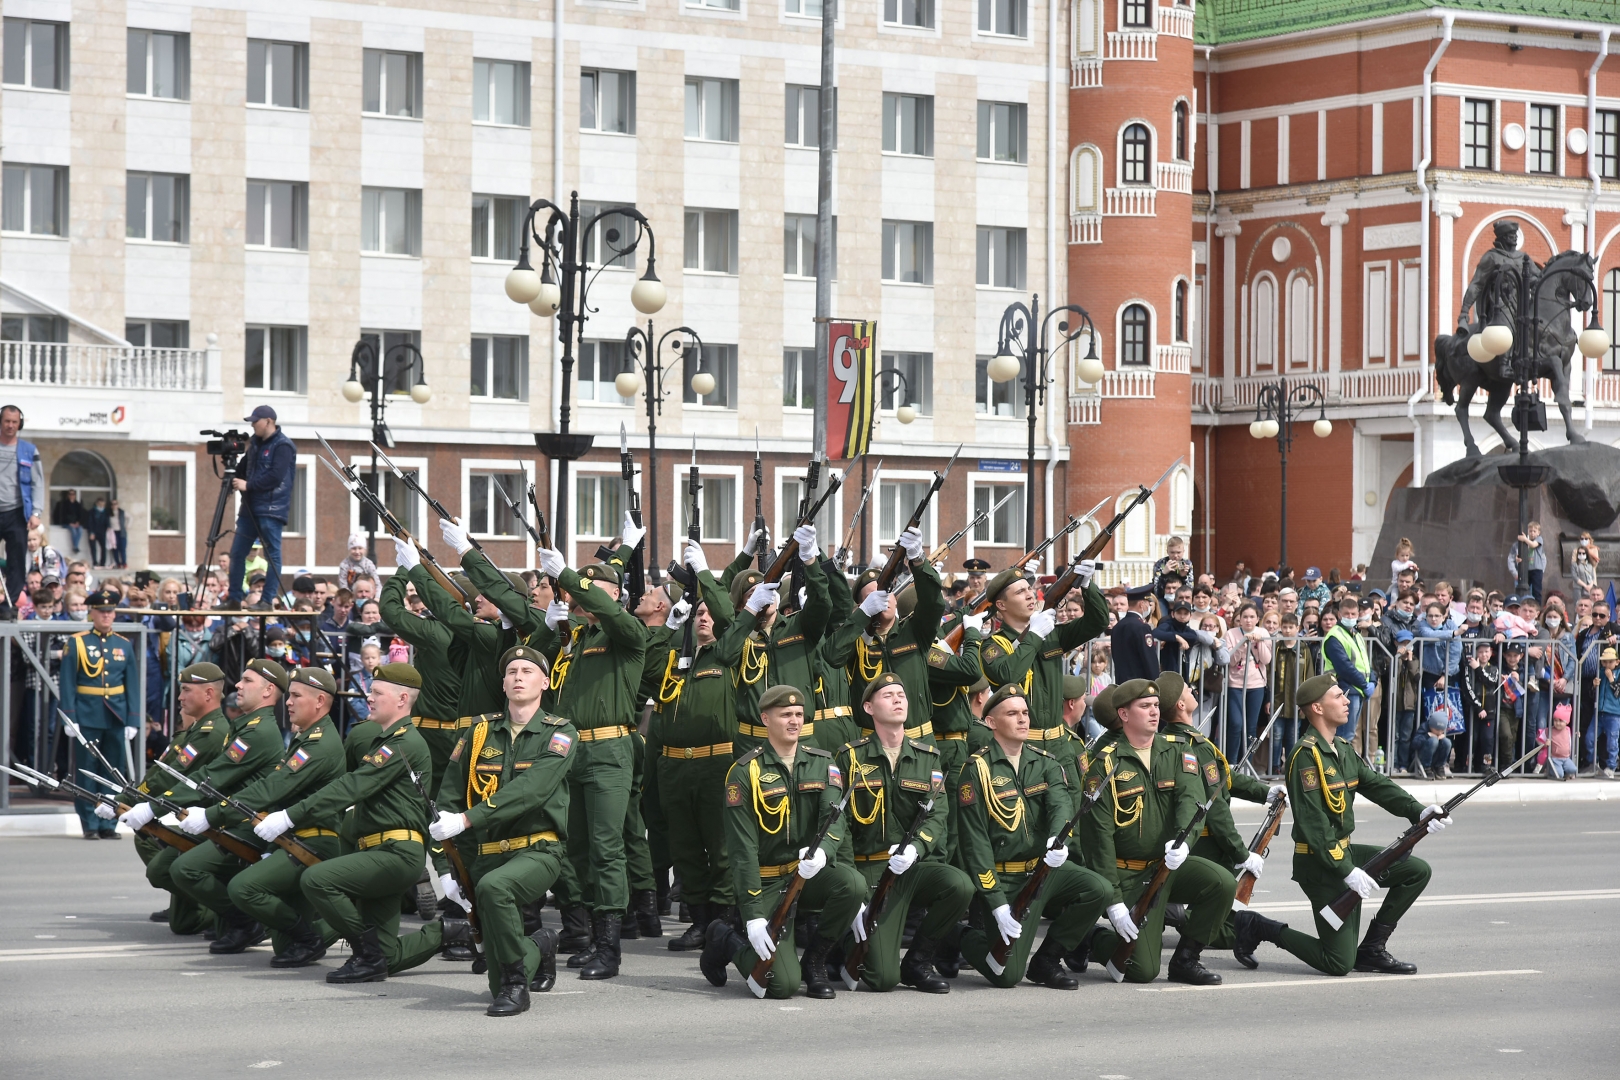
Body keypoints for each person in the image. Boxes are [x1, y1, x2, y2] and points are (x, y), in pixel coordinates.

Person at [1231, 674, 1450, 977]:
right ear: (1317, 708)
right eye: (1338, 696)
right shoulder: (1306, 756)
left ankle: (1372, 948)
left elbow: (1377, 785)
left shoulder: (1342, 748)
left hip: (1345, 855)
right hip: (1321, 864)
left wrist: (1419, 812)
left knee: (1416, 871)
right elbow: (1314, 825)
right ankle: (1258, 927)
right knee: (1337, 963)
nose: (1347, 701)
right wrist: (1346, 871)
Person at [255, 663, 437, 984]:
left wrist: (289, 815)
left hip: (396, 852)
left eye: (377, 693)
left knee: (317, 880)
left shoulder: (403, 743)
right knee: (388, 956)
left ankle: (366, 953)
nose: (369, 697)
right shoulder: (387, 740)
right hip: (382, 851)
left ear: (401, 699)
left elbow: (350, 787)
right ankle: (450, 932)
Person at [427, 646, 576, 1015]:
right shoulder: (478, 732)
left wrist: (466, 820)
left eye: (527, 670)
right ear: (504, 683)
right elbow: (447, 797)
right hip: (486, 855)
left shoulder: (561, 733)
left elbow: (533, 789)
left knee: (497, 889)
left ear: (544, 682)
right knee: (492, 975)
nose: (518, 677)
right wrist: (446, 869)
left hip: (538, 849)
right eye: (511, 671)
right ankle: (538, 947)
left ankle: (516, 986)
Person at [526, 540, 647, 979]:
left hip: (609, 751)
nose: (584, 596)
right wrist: (548, 623)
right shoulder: (577, 639)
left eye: (594, 589)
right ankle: (592, 936)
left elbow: (612, 615)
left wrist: (569, 577)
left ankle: (609, 947)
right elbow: (533, 666)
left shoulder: (628, 631)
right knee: (575, 848)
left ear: (613, 594)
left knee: (606, 848)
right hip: (572, 751)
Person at [169, 666, 347, 960]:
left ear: (319, 701)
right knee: (281, 944)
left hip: (312, 841)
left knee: (243, 888)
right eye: (289, 695)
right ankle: (310, 928)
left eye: (296, 696)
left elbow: (270, 789)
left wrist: (212, 815)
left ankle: (316, 935)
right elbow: (275, 791)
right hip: (287, 839)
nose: (288, 702)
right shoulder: (304, 738)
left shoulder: (320, 744)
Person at [700, 684, 865, 999]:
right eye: (785, 714)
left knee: (852, 884)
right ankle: (724, 939)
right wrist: (751, 914)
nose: (794, 721)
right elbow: (741, 849)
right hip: (767, 882)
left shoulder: (823, 763)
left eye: (799, 714)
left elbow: (835, 820)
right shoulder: (744, 771)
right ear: (765, 718)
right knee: (780, 986)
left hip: (806, 874)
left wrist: (824, 852)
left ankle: (815, 962)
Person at [955, 683, 1113, 989]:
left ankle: (1048, 959)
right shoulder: (976, 770)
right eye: (1012, 713)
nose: (1023, 719)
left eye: (1025, 713)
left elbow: (1060, 805)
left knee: (1098, 889)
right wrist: (997, 902)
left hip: (1043, 871)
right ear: (991, 722)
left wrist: (1058, 838)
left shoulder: (1045, 762)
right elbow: (974, 843)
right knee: (1006, 975)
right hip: (1004, 879)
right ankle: (958, 936)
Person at [1079, 678, 1237, 984]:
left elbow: (1190, 800)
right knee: (1142, 971)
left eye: (1155, 706)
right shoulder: (1105, 764)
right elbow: (1098, 839)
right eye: (1144, 707)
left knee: (1222, 883)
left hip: (1167, 865)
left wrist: (1184, 842)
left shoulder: (1178, 752)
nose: (1154, 712)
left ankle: (1186, 959)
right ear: (1123, 714)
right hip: (1129, 875)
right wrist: (1113, 902)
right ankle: (1091, 938)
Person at [839, 673, 971, 993]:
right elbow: (836, 822)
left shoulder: (928, 757)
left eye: (901, 694)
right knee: (882, 979)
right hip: (866, 868)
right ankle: (840, 946)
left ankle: (918, 961)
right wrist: (851, 885)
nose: (898, 699)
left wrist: (917, 848)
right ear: (869, 707)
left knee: (960, 886)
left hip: (909, 867)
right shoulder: (850, 757)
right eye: (888, 695)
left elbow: (938, 814)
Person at [1156, 671, 1283, 972]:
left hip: (1185, 844)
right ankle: (1252, 932)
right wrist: (1241, 854)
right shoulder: (1195, 746)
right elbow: (1216, 810)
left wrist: (1264, 792)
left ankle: (1170, 913)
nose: (1192, 691)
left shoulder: (1165, 742)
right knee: (1221, 917)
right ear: (1180, 706)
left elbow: (1224, 775)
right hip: (1208, 845)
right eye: (1188, 689)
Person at [111, 662, 231, 933]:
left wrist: (132, 801)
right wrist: (123, 797)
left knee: (159, 866)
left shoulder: (213, 733)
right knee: (182, 922)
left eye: (187, 690)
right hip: (184, 815)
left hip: (204, 824)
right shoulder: (195, 730)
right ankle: (201, 903)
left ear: (209, 694)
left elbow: (171, 776)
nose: (180, 697)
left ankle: (222, 908)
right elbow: (158, 774)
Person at [60, 589, 139, 839]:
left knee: (113, 772)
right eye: (101, 611)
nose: (107, 616)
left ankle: (108, 824)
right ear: (92, 612)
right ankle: (90, 824)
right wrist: (70, 716)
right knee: (87, 770)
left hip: (115, 716)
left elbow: (132, 685)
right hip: (87, 715)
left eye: (110, 611)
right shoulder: (77, 642)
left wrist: (134, 719)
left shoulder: (123, 644)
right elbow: (68, 682)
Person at [227, 405, 296, 607]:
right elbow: (241, 469)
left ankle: (266, 600)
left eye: (255, 421)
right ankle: (234, 598)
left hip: (271, 509)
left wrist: (248, 485)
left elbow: (275, 476)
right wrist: (231, 475)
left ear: (268, 421)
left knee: (272, 554)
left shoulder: (283, 445)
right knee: (238, 553)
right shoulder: (255, 445)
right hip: (249, 509)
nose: (253, 425)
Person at [1221, 602, 1272, 760]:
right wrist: (1243, 643)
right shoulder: (1231, 633)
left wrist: (1260, 642)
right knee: (1236, 724)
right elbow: (1230, 660)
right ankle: (1231, 763)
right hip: (1235, 684)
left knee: (1251, 726)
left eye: (1252, 617)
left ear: (1257, 619)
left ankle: (1247, 764)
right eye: (1245, 617)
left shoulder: (1263, 632)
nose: (1248, 620)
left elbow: (1266, 659)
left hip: (1256, 684)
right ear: (1240, 619)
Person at [1320, 596, 1375, 742]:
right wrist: (1364, 685)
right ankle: (1338, 765)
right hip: (1345, 689)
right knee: (1344, 735)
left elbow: (1366, 662)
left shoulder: (1356, 635)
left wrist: (1373, 681)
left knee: (1349, 734)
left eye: (1353, 614)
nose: (1350, 617)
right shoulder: (1335, 636)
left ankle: (1343, 764)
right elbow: (1344, 667)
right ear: (1339, 615)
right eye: (1346, 614)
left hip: (1357, 689)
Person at [1107, 584, 1160, 681]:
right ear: (1141, 604)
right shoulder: (1142, 627)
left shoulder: (1117, 626)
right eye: (1147, 603)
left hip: (1122, 682)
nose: (1148, 607)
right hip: (1140, 684)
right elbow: (1149, 659)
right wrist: (1155, 682)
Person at [1591, 647, 1620, 779]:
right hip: (1599, 712)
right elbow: (1592, 695)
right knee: (1589, 738)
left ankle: (1611, 766)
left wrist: (1611, 679)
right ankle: (1593, 763)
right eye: (1605, 662)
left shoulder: (1618, 674)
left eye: (1610, 662)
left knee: (1612, 742)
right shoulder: (1600, 672)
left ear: (1617, 662)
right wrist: (1594, 686)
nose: (1607, 665)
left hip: (1613, 714)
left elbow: (1617, 694)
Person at [1509, 521, 1545, 602]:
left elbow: (1533, 545)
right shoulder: (1524, 543)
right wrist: (1518, 558)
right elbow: (1521, 554)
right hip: (1527, 570)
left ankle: (1537, 607)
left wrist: (1525, 539)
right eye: (1530, 531)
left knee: (1536, 590)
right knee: (1523, 589)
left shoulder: (1539, 539)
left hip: (1536, 569)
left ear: (1538, 533)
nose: (1532, 533)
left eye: (1534, 531)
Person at [1543, 703, 1578, 781]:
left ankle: (1564, 771)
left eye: (1561, 721)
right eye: (1555, 720)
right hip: (1555, 758)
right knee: (1559, 774)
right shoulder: (1550, 730)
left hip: (1566, 758)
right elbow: (1539, 738)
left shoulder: (1568, 730)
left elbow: (1571, 738)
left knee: (1573, 769)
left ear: (1567, 722)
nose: (1557, 723)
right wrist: (1545, 744)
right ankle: (1550, 770)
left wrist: (1576, 735)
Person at [52, 486, 84, 555]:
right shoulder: (63, 504)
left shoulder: (77, 504)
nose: (72, 496)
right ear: (68, 495)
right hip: (66, 523)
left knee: (80, 530)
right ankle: (75, 547)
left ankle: (76, 546)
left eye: (73, 494)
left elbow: (80, 515)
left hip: (76, 523)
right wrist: (69, 523)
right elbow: (62, 515)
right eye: (70, 494)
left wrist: (78, 522)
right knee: (73, 531)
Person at [108, 498, 128, 568]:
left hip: (121, 532)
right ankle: (118, 563)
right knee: (115, 549)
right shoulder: (109, 513)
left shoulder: (122, 512)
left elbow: (130, 518)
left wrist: (127, 526)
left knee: (122, 548)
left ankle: (124, 563)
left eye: (115, 504)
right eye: (112, 504)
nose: (114, 506)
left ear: (118, 505)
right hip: (113, 533)